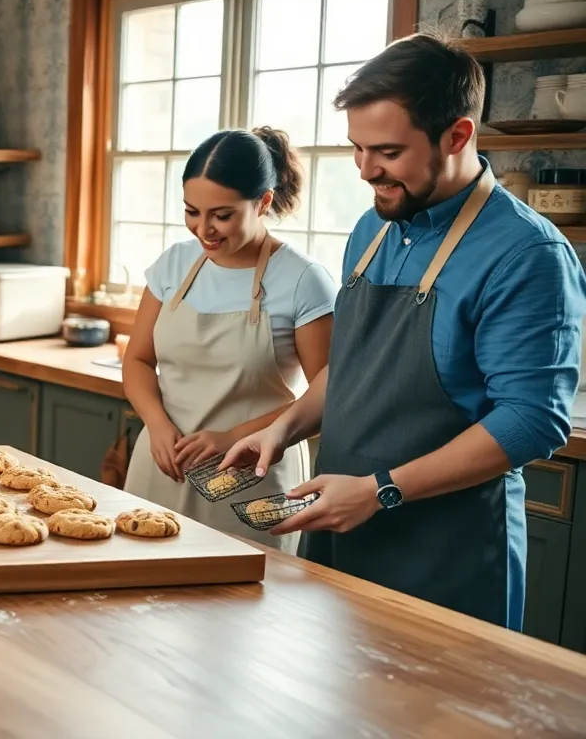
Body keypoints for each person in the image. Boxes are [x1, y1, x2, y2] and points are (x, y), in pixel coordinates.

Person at [222, 33, 586, 631]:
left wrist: (380, 491)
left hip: (447, 552)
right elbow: (360, 365)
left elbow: (532, 420)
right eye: (357, 149)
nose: (367, 171)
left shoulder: (528, 254)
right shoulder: (374, 228)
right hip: (340, 530)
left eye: (387, 151)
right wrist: (281, 428)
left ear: (458, 136)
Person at [122, 127, 336, 552]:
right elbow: (138, 361)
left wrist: (232, 437)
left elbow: (330, 390)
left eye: (222, 215)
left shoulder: (302, 279)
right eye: (192, 212)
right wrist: (157, 425)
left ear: (263, 202)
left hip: (249, 476)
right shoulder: (173, 264)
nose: (205, 230)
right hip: (163, 465)